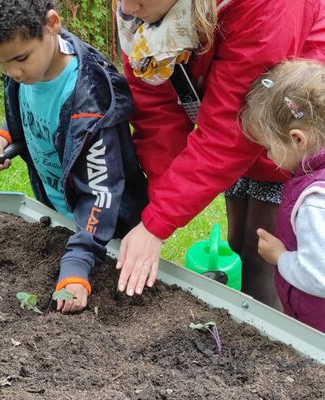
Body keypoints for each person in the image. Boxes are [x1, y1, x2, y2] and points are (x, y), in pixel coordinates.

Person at [114, 0, 325, 308]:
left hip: (291, 144)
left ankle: (292, 346)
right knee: (240, 243)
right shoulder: (137, 8)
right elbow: (156, 108)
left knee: (267, 264)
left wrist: (156, 224)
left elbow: (231, 128)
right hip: (250, 134)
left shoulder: (271, 7)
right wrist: (161, 210)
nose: (128, 8)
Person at [0, 0, 148, 314]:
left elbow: (100, 193)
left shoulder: (91, 98)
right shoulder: (28, 66)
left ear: (51, 24)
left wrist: (77, 262)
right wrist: (6, 134)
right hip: (64, 214)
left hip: (109, 232)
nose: (12, 72)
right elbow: (28, 105)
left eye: (20, 58)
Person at [241, 60, 325, 332]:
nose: (266, 155)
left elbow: (319, 276)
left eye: (269, 146)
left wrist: (280, 257)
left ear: (298, 140)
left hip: (316, 326)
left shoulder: (314, 201)